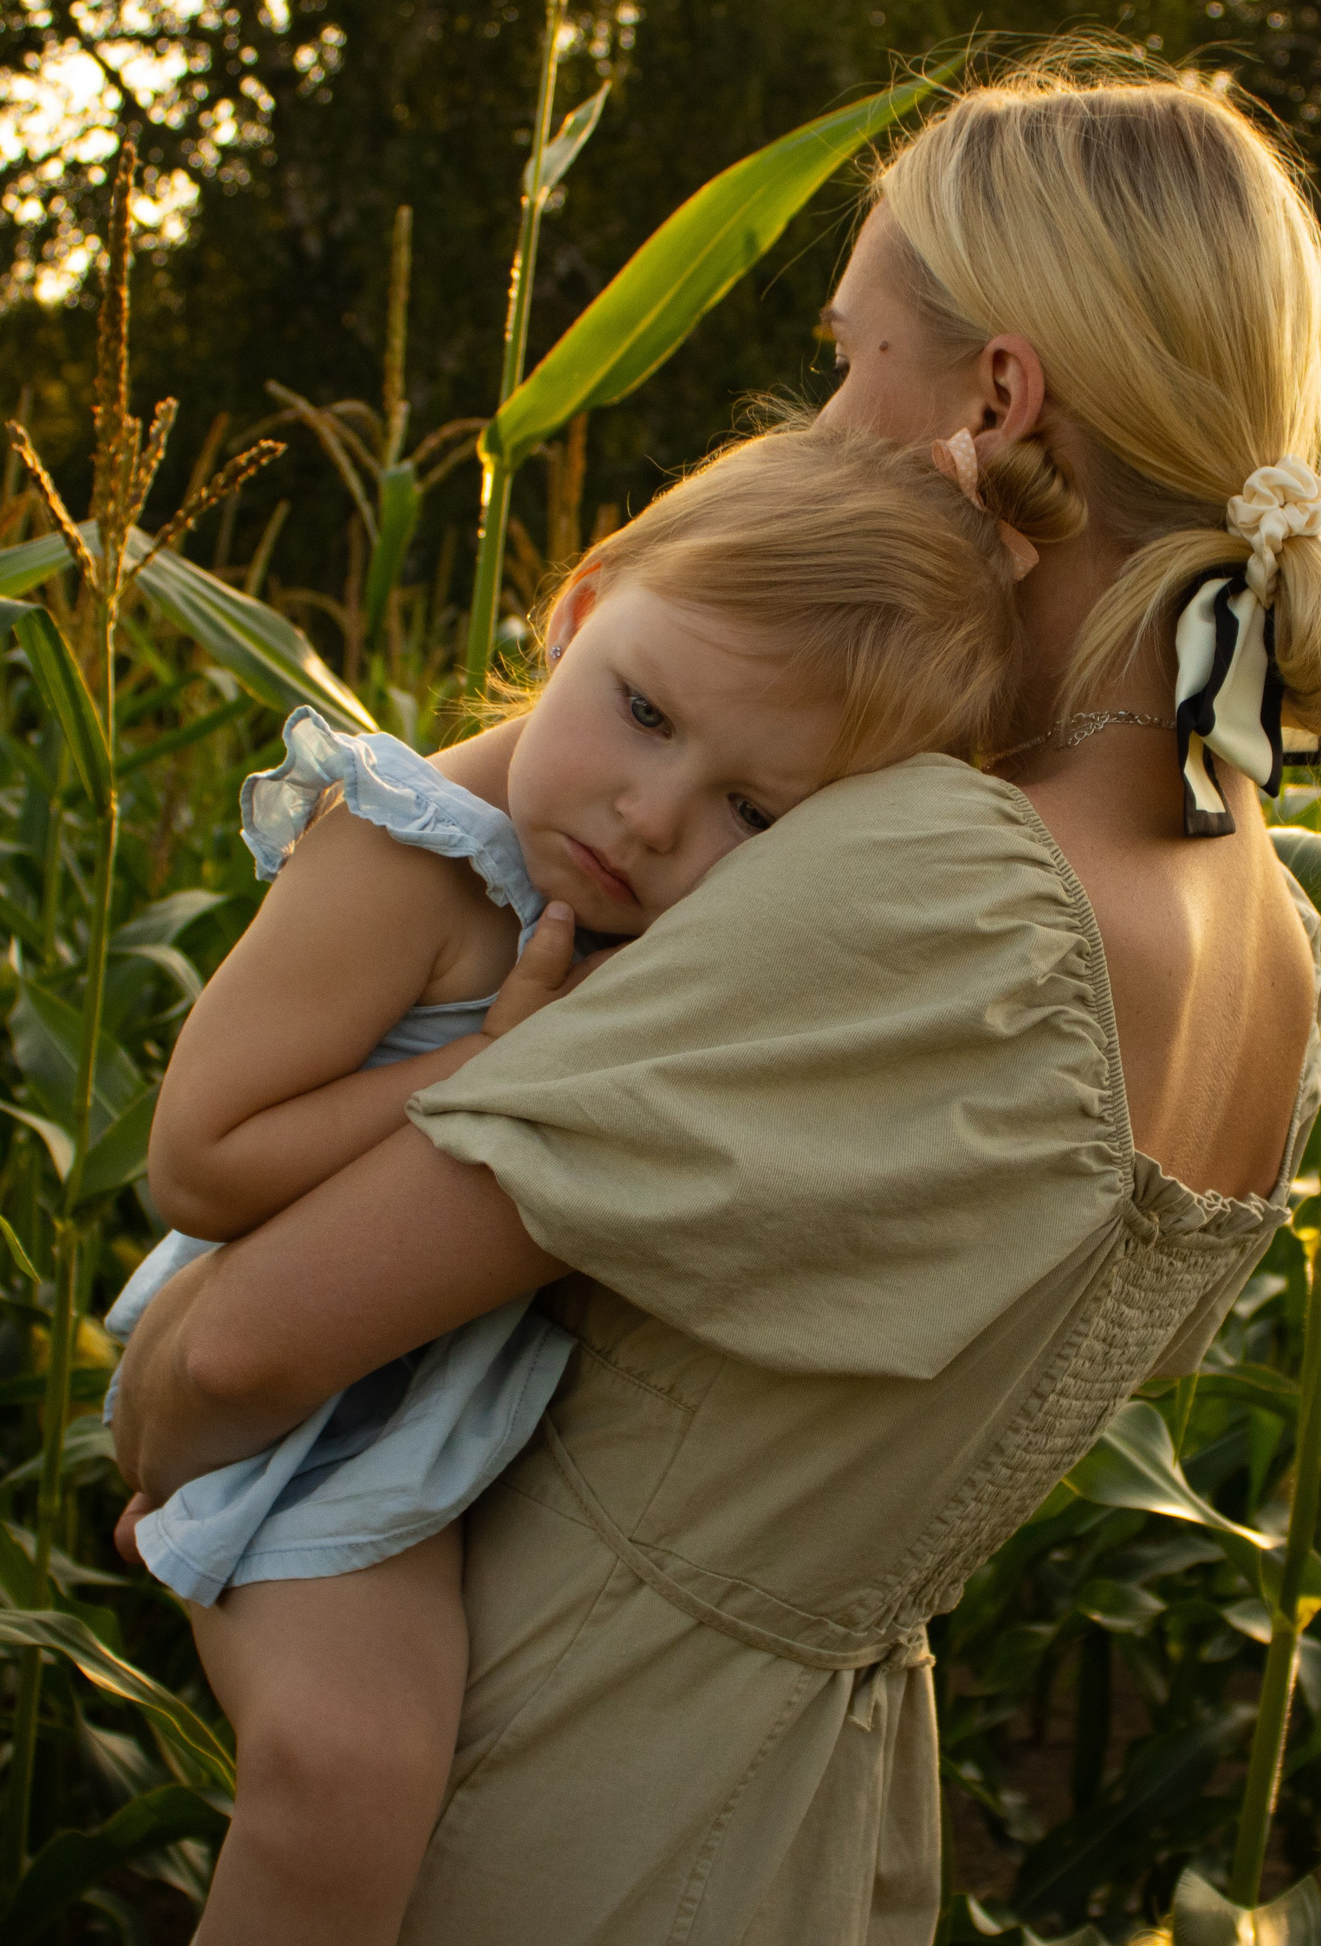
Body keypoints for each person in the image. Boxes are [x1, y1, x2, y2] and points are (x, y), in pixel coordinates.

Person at [116, 53, 1321, 1945]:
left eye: (850, 352)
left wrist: (150, 1412)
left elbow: (228, 1359)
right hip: (816, 1823)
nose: (825, 415)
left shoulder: (943, 886)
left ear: (997, 394)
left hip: (562, 1807)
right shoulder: (1272, 941)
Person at [104, 420, 1059, 1943]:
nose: (649, 817)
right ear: (577, 604)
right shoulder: (406, 853)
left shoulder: (674, 919)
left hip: (449, 1403)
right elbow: (198, 1162)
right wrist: (495, 1061)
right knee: (349, 1769)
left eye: (756, 812)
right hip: (318, 1417)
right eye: (642, 711)